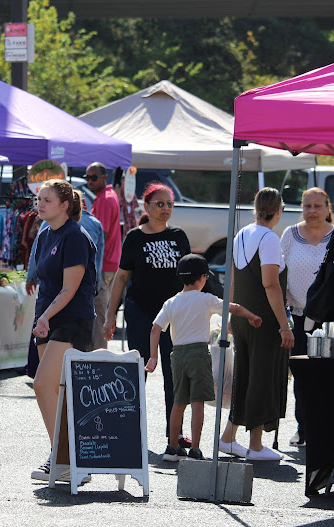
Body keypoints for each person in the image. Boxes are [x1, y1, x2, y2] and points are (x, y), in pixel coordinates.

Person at [146, 254, 261, 461]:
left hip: (177, 354)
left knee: (179, 402)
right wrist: (252, 316)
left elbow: (156, 328)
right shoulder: (206, 299)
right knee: (197, 401)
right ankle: (195, 450)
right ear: (202, 277)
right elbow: (232, 307)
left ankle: (172, 448)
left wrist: (153, 356)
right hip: (199, 353)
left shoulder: (171, 302)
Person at [103, 183, 192, 449]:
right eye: (160, 204)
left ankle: (174, 433)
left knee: (174, 374)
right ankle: (130, 431)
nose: (165, 209)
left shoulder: (179, 236)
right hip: (140, 312)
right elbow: (121, 278)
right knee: (137, 371)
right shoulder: (134, 237)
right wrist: (110, 316)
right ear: (147, 206)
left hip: (173, 316)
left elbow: (191, 278)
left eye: (169, 205)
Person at [30, 179, 97, 481]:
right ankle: (62, 456)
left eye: (46, 200)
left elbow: (70, 289)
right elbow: (45, 282)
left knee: (44, 385)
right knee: (53, 391)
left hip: (72, 320)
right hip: (48, 318)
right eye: (39, 199)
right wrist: (40, 318)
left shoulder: (75, 236)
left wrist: (45, 316)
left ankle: (68, 459)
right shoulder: (46, 234)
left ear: (64, 206)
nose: (39, 204)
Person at [220, 187, 293, 462]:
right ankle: (256, 444)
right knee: (261, 377)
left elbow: (233, 279)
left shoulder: (242, 234)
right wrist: (285, 326)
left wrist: (232, 313)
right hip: (263, 318)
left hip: (242, 317)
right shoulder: (269, 238)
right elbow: (271, 284)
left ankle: (228, 437)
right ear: (279, 209)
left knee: (245, 376)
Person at [280, 187, 334, 447]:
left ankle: (329, 425)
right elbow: (279, 273)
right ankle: (302, 425)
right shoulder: (290, 235)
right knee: (302, 373)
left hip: (332, 318)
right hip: (299, 317)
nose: (312, 211)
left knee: (331, 372)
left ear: (327, 208)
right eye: (306, 206)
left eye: (317, 206)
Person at [85, 162, 121, 350]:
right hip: (108, 262)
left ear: (104, 177)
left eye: (94, 177)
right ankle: (97, 356)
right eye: (87, 178)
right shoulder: (106, 196)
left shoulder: (105, 199)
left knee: (99, 313)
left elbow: (102, 235)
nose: (90, 181)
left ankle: (98, 358)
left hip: (104, 263)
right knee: (100, 312)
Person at [114, 169, 139, 241]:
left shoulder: (131, 194)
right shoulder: (117, 194)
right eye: (123, 181)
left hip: (130, 224)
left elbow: (135, 208)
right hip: (120, 226)